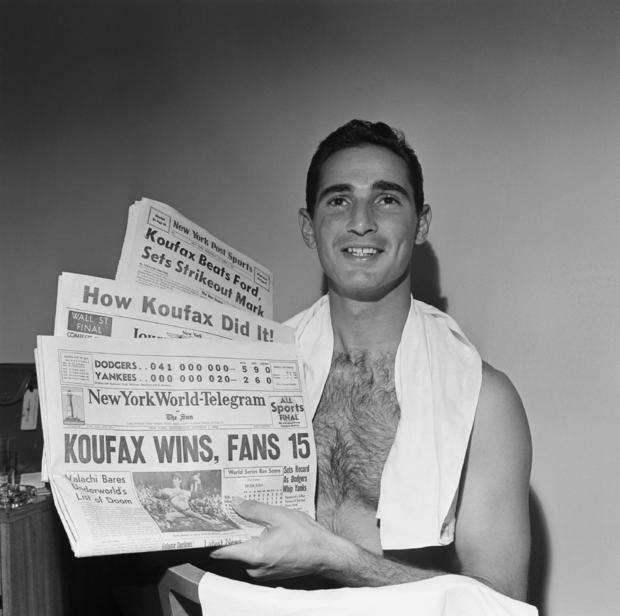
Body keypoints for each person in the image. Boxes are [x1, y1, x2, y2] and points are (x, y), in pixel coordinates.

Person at [211, 119, 532, 601]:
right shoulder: (251, 375)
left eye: (386, 199)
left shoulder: (485, 401)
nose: (361, 220)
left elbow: (500, 603)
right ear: (308, 226)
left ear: (420, 222)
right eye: (338, 200)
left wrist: (332, 558)